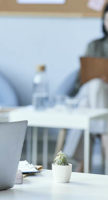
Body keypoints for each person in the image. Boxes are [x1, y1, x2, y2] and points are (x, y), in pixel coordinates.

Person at [63, 4, 108, 171]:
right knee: (94, 86)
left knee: (85, 105)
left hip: (100, 101)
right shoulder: (94, 46)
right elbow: (80, 82)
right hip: (93, 96)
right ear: (103, 22)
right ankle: (105, 136)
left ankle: (74, 167)